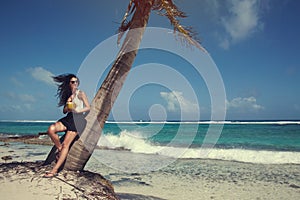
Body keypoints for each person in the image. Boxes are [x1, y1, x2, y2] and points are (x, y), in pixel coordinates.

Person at [44, 74, 90, 178]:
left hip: (78, 120)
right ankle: (60, 149)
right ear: (69, 83)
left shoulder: (81, 93)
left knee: (66, 145)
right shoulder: (68, 95)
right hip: (69, 118)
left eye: (76, 82)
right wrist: (68, 106)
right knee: (51, 129)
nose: (75, 84)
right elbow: (64, 111)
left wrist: (79, 110)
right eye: (73, 82)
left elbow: (88, 107)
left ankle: (54, 170)